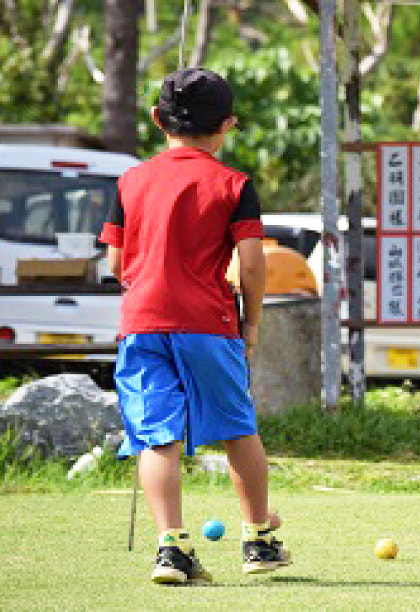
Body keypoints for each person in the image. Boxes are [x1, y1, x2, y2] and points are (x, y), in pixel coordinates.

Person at [100, 68, 291, 584]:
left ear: (156, 119)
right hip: (209, 322)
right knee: (236, 426)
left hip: (141, 322)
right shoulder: (234, 185)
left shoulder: (129, 181)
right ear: (227, 124)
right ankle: (259, 540)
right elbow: (251, 263)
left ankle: (172, 550)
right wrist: (251, 322)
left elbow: (117, 263)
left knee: (156, 436)